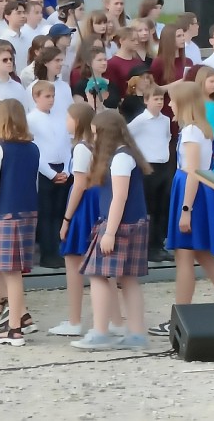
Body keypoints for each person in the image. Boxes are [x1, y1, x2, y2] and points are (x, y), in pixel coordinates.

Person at [71, 110, 152, 351]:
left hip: (120, 225)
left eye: (96, 134)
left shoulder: (119, 158)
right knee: (128, 279)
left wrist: (109, 233)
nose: (94, 139)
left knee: (97, 274)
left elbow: (120, 197)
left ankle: (101, 332)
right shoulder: (126, 154)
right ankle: (137, 333)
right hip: (131, 223)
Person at [151, 83, 214, 337]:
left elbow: (192, 172)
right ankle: (180, 316)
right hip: (201, 192)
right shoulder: (201, 129)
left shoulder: (193, 131)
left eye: (173, 101)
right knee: (203, 256)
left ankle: (179, 318)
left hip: (192, 194)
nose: (170, 104)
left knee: (185, 257)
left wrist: (185, 208)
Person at [0, 100, 41, 346]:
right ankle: (19, 318)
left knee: (12, 273)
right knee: (7, 270)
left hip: (6, 213)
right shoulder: (33, 148)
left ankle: (14, 328)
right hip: (28, 212)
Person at [53, 103, 97, 337]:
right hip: (93, 201)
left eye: (69, 117)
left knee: (73, 261)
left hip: (83, 205)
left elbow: (79, 184)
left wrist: (67, 218)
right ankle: (109, 320)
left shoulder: (81, 148)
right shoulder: (94, 144)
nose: (66, 121)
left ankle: (75, 320)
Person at [27, 81, 70, 269]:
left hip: (62, 168)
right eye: (47, 96)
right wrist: (51, 174)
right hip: (44, 170)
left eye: (53, 96)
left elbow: (67, 145)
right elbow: (35, 149)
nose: (51, 100)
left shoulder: (60, 118)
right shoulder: (31, 120)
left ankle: (59, 249)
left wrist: (67, 169)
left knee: (59, 212)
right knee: (46, 213)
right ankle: (47, 253)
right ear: (36, 97)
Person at [128, 85, 173, 263]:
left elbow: (167, 138)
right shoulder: (140, 121)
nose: (159, 102)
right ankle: (148, 247)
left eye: (161, 99)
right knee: (150, 208)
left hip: (163, 166)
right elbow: (127, 134)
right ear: (146, 100)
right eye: (155, 99)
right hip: (148, 167)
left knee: (162, 207)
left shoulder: (166, 120)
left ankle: (158, 244)